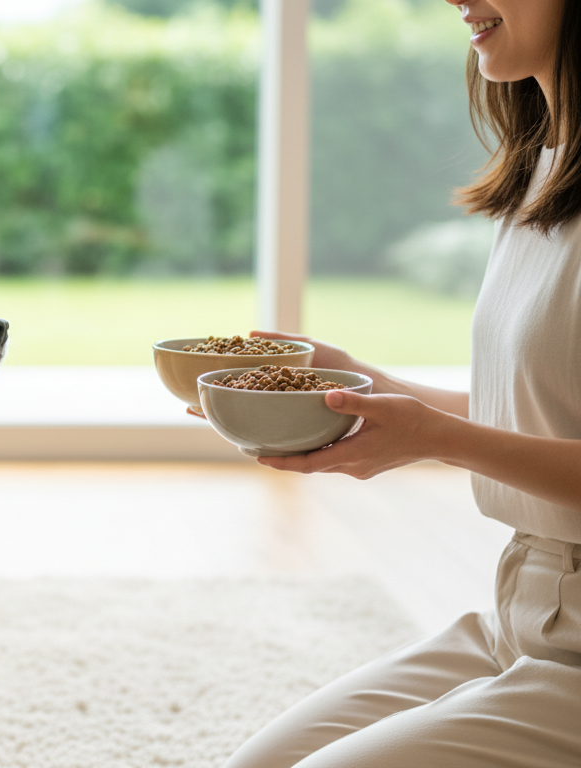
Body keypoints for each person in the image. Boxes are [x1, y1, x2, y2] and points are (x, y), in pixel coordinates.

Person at [221, 0, 581, 766]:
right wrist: (380, 393)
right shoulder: (543, 170)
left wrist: (437, 439)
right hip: (523, 610)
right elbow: (543, 416)